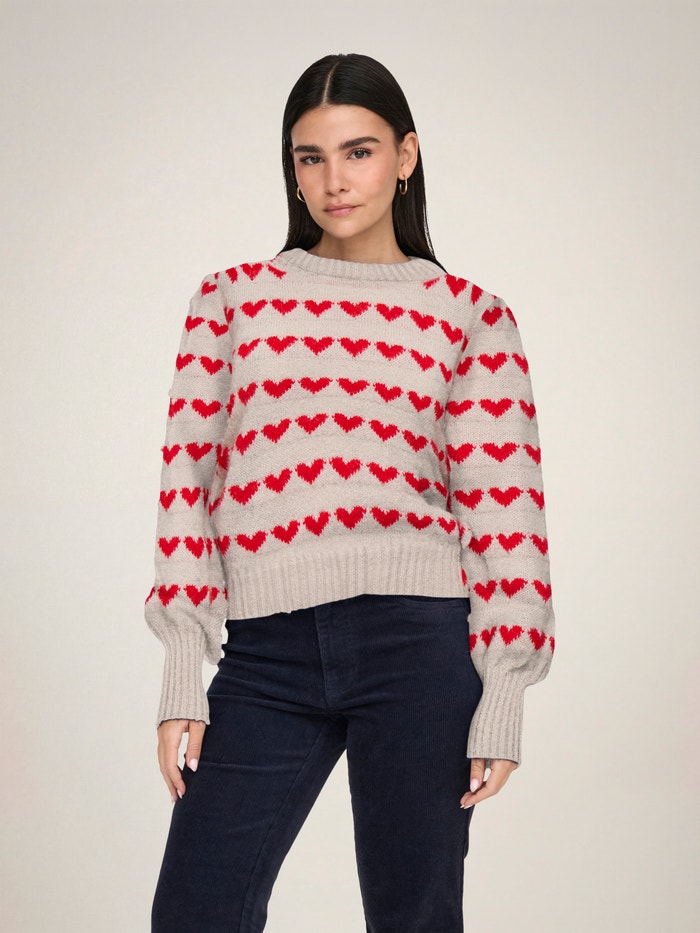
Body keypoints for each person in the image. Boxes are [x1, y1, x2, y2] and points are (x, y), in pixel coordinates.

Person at [147, 52, 555, 933]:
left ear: (406, 156)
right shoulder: (233, 301)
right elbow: (188, 482)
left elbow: (504, 513)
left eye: (359, 152)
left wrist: (504, 691)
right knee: (195, 910)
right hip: (267, 651)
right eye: (311, 156)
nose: (334, 180)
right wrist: (184, 670)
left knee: (414, 918)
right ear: (292, 167)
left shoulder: (470, 315)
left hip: (419, 646)